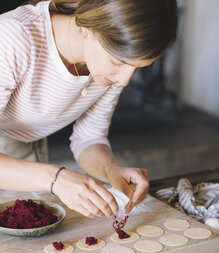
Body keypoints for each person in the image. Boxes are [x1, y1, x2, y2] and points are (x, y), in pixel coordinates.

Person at [0, 0, 178, 218]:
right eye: (118, 61)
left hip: (26, 142)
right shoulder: (13, 39)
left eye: (137, 68)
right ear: (88, 28)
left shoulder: (109, 71)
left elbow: (89, 137)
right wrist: (56, 178)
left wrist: (111, 169)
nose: (124, 80)